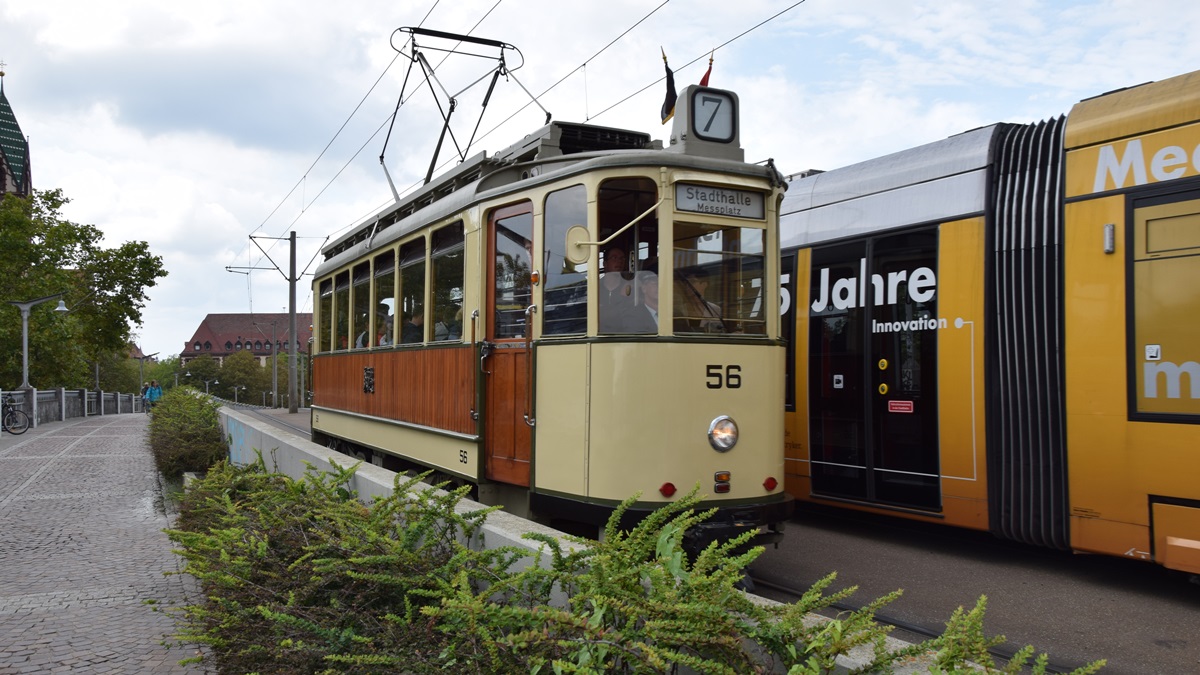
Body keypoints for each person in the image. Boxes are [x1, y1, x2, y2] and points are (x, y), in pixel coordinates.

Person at [599, 246, 636, 332]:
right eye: (614, 258)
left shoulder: (631, 288)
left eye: (622, 258)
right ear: (605, 263)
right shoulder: (595, 288)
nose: (619, 261)